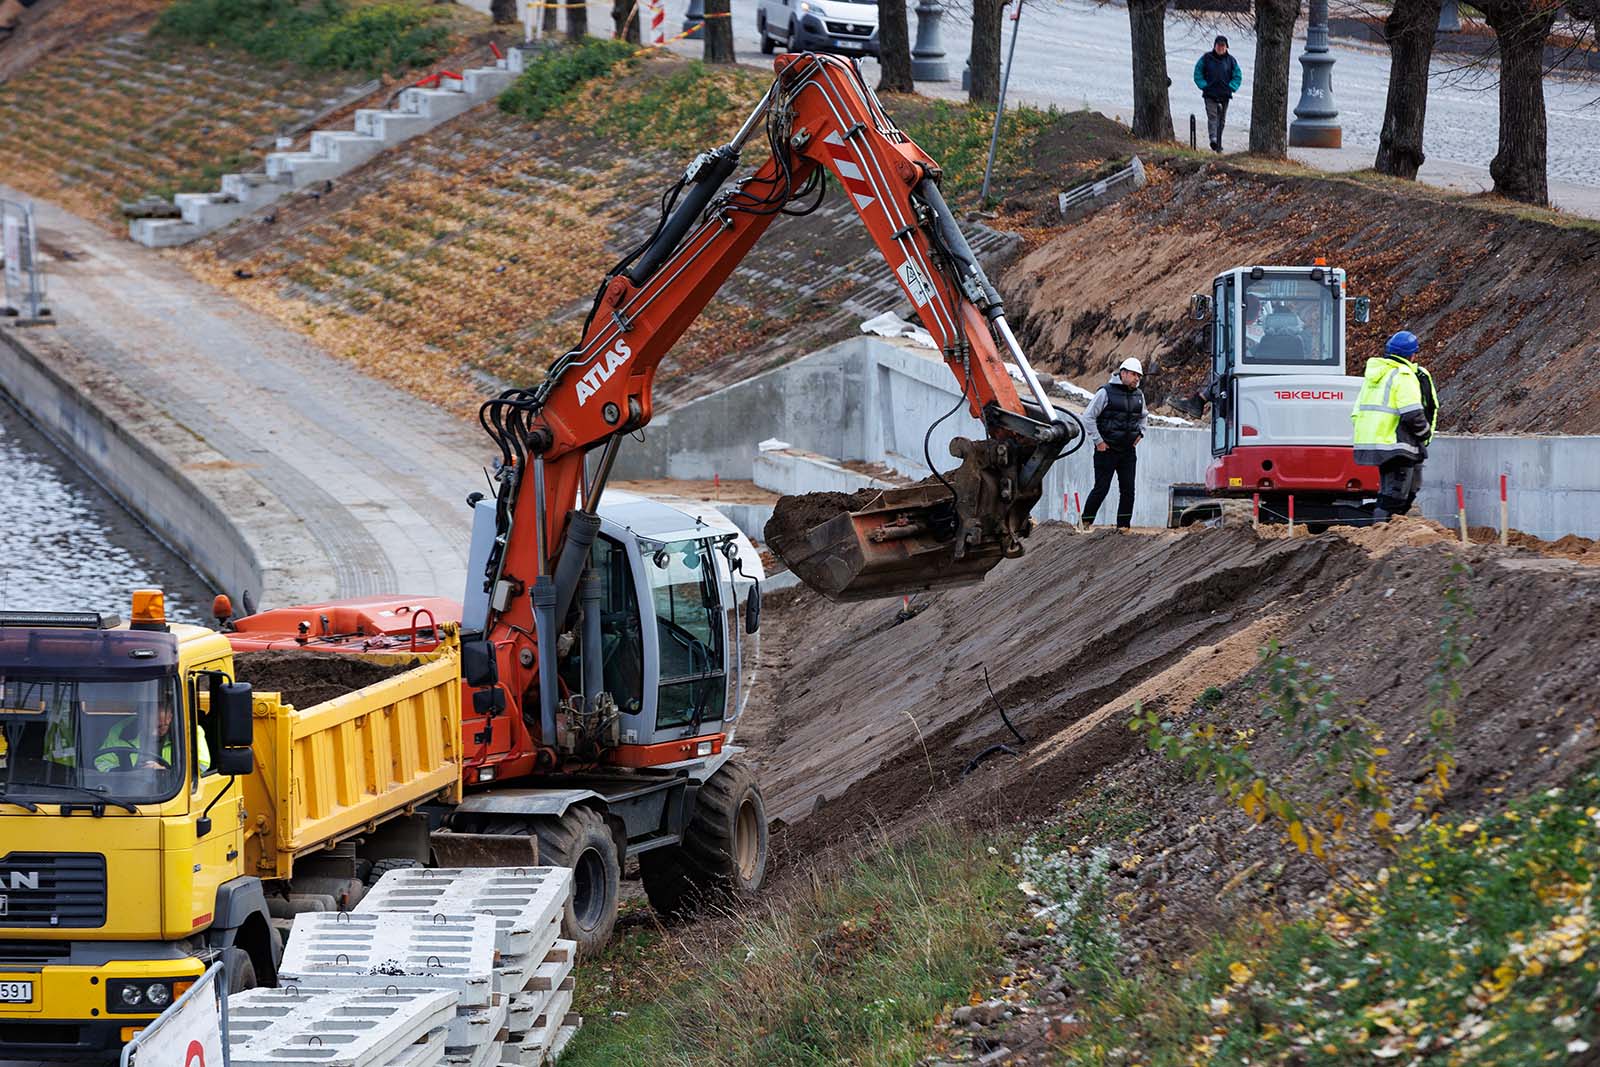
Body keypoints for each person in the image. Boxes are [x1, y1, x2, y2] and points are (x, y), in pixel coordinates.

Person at [1352, 330, 1438, 522]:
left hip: (1379, 443)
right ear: (1412, 355)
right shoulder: (1403, 375)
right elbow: (1412, 413)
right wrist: (1424, 433)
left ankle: (1386, 529)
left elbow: (1356, 412)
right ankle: (1381, 533)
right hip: (1397, 445)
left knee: (1396, 493)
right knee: (1394, 496)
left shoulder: (1378, 375)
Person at [1081, 357, 1148, 529]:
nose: (1136, 379)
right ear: (1123, 373)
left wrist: (1141, 434)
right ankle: (1085, 522)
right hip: (1107, 450)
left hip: (1127, 452)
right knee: (1101, 489)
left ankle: (1123, 528)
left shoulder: (1139, 395)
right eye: (1133, 374)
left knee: (1128, 491)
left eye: (1139, 376)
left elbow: (1144, 416)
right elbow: (1088, 417)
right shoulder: (1105, 392)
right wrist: (1099, 441)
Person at [95, 703, 210, 772]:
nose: (154, 733)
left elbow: (202, 766)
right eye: (148, 726)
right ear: (140, 717)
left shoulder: (191, 731)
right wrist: (124, 774)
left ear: (170, 717)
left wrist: (165, 772)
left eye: (160, 726)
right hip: (127, 792)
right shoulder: (121, 730)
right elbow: (102, 762)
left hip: (174, 793)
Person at [1193, 36, 1243, 153]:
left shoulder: (1231, 61)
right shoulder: (1206, 58)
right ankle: (1213, 139)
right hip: (1210, 94)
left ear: (1226, 47)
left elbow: (1237, 76)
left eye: (1223, 46)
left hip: (1224, 94)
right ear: (1214, 46)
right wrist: (1204, 86)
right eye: (1218, 45)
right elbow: (1197, 73)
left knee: (1222, 120)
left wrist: (1231, 87)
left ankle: (1219, 142)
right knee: (1212, 117)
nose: (1220, 48)